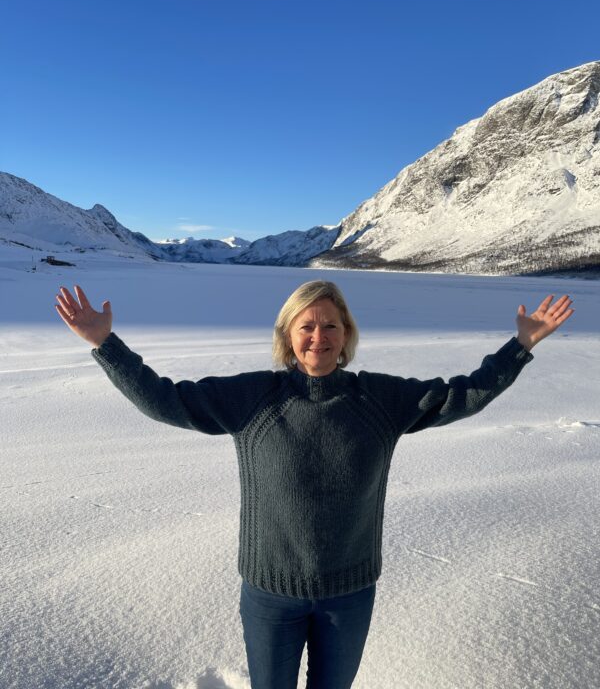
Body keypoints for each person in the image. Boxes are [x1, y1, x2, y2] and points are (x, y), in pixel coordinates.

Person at [55, 280, 574, 689]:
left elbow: (462, 395)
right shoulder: (254, 396)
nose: (318, 337)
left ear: (346, 334)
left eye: (330, 325)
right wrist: (106, 345)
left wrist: (520, 345)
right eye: (307, 326)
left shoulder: (379, 399)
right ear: (287, 335)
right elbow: (167, 401)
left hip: (349, 593)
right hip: (269, 592)